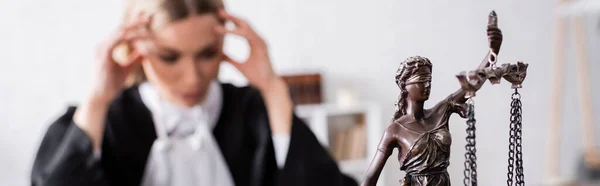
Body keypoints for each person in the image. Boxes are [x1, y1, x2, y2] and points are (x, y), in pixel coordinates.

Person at [30, 0, 357, 186]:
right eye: (169, 57)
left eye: (208, 53)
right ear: (136, 48)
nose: (193, 78)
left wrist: (272, 89)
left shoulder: (256, 112)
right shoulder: (105, 123)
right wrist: (98, 100)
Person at [360, 14, 503, 186]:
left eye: (429, 80)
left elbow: (471, 84)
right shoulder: (395, 130)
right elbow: (370, 178)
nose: (427, 85)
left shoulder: (441, 111)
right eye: (421, 81)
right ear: (405, 85)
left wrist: (492, 52)